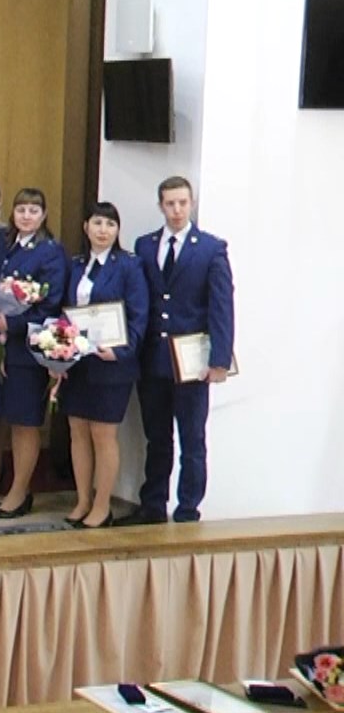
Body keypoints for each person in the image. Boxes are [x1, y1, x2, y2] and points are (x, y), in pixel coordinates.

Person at [127, 176, 235, 525]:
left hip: (192, 362)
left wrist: (219, 360)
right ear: (161, 205)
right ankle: (153, 503)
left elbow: (221, 307)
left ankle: (188, 507)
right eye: (170, 203)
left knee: (192, 438)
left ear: (191, 204)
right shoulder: (145, 246)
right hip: (153, 359)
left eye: (182, 203)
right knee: (157, 437)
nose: (176, 210)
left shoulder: (210, 248)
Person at [61, 201, 149, 530]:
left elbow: (140, 315)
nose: (103, 230)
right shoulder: (76, 264)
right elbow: (65, 310)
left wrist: (122, 349)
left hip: (112, 365)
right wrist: (58, 351)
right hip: (79, 362)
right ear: (86, 227)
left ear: (117, 230)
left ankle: (102, 505)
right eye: (97, 223)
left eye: (110, 225)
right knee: (77, 432)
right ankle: (82, 499)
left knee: (102, 434)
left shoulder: (129, 265)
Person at [0, 188, 67, 520]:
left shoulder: (50, 252)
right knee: (13, 420)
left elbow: (50, 304)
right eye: (21, 209)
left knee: (26, 422)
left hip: (30, 347)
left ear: (44, 215)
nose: (26, 216)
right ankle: (18, 487)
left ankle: (19, 491)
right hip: (7, 344)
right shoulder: (8, 247)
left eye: (34, 210)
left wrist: (14, 323)